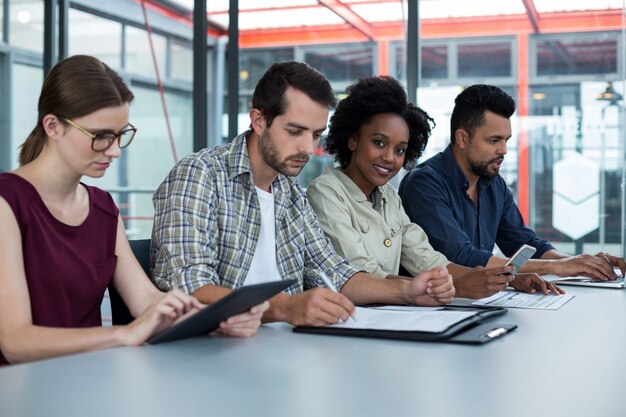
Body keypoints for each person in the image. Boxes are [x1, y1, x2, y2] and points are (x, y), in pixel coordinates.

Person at [0, 56, 267, 366]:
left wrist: (219, 318)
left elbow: (147, 302)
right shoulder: (8, 202)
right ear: (53, 126)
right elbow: (15, 340)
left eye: (119, 135)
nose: (114, 150)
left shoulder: (102, 209)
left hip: (86, 380)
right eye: (100, 136)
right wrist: (123, 335)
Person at [151, 61, 455, 327]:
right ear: (258, 120)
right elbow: (190, 288)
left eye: (315, 134)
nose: (309, 149)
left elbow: (334, 271)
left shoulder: (290, 192)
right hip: (212, 353)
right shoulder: (201, 175)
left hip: (286, 349)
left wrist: (407, 291)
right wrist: (285, 307)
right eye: (295, 131)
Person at [306, 76, 561, 298]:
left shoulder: (388, 197)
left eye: (400, 150)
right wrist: (457, 287)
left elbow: (428, 260)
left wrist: (502, 278)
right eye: (379, 143)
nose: (389, 158)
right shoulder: (326, 192)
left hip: (390, 319)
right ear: (352, 140)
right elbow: (362, 276)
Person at [399, 84, 626, 280]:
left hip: (478, 304)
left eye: (506, 140)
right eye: (493, 140)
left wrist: (580, 263)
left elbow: (524, 244)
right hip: (432, 310)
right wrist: (558, 267)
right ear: (462, 138)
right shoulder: (424, 184)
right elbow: (461, 258)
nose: (504, 150)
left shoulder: (493, 183)